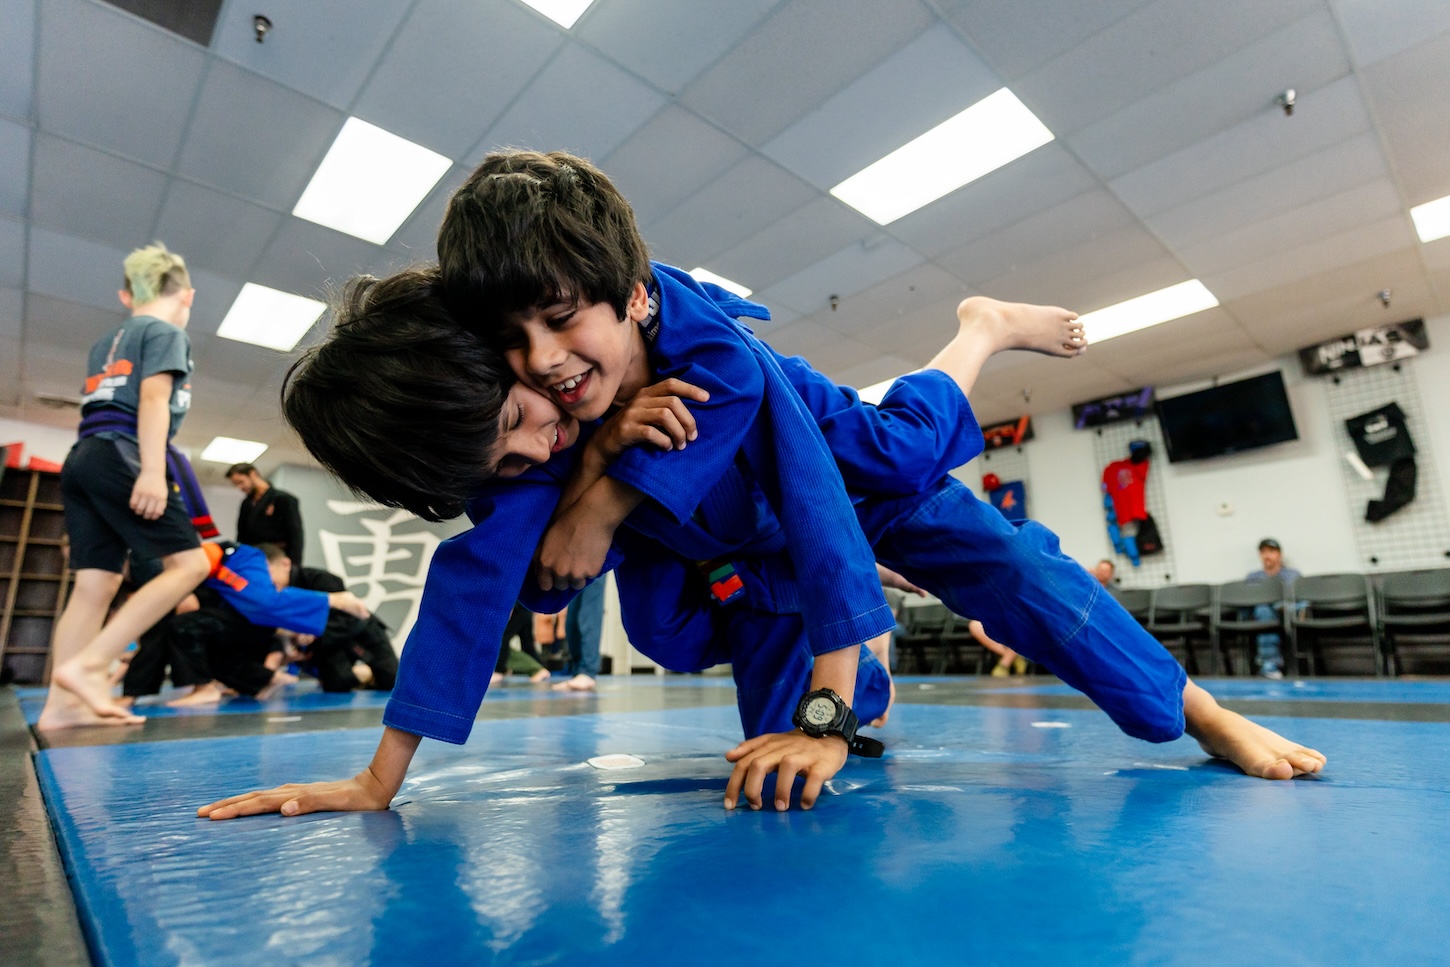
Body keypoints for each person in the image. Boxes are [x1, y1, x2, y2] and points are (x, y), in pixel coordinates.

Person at [197, 153, 1323, 823]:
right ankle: (848, 655)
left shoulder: (716, 360)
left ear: (631, 298)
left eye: (558, 332)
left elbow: (823, 515)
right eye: (514, 351)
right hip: (734, 547)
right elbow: (471, 582)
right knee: (675, 628)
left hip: (838, 469)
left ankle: (978, 337)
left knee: (982, 539)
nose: (543, 379)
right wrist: (378, 778)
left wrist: (828, 716)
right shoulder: (528, 409)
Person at [38, 244, 214, 729]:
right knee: (191, 563)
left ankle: (60, 708)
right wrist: (154, 471)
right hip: (123, 451)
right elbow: (155, 399)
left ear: (128, 295)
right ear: (188, 296)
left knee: (96, 583)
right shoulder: (164, 331)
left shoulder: (109, 339)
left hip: (84, 456)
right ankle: (91, 667)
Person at [283, 551, 396, 692]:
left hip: (360, 630)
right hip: (328, 641)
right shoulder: (273, 596)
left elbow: (348, 616)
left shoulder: (319, 579)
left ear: (285, 564)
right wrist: (294, 639)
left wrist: (313, 631)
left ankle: (368, 673)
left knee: (391, 680)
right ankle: (363, 674)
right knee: (338, 684)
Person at [1245, 538, 1302, 680]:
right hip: (1259, 613)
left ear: (1279, 555)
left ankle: (1269, 664)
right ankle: (1270, 665)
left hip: (1286, 613)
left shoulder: (1292, 574)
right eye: (1263, 552)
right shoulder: (1253, 577)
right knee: (1263, 609)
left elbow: (1296, 599)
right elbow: (1249, 599)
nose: (1267, 555)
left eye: (1271, 551)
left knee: (1270, 607)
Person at [227, 463, 306, 562]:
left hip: (278, 558)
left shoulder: (283, 499)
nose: (240, 487)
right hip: (253, 559)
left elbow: (296, 535)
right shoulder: (246, 504)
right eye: (236, 484)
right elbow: (241, 537)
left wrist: (294, 566)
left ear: (253, 474)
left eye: (241, 482)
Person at [554, 578, 604, 691]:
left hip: (595, 561)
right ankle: (577, 671)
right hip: (574, 562)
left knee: (588, 612)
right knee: (572, 620)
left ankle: (588, 671)